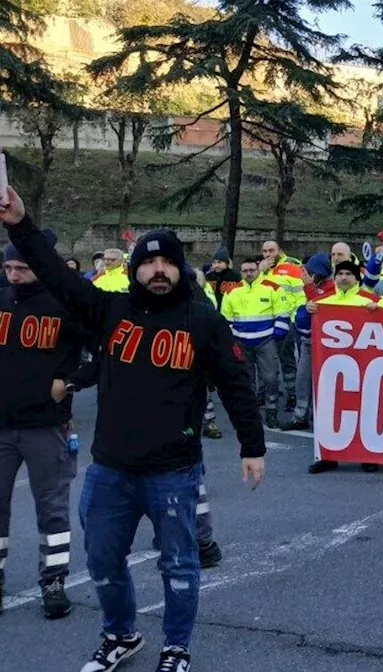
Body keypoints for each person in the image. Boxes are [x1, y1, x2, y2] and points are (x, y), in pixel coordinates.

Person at [1, 186, 266, 672]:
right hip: (110, 470)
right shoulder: (110, 311)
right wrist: (20, 224)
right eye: (149, 262)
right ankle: (121, 634)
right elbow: (59, 279)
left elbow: (236, 387)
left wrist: (253, 446)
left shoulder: (203, 322)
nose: (158, 270)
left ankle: (176, 647)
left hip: (173, 471)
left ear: (179, 268)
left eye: (167, 262)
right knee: (102, 561)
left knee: (179, 567)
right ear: (135, 269)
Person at [0, 230, 86, 619]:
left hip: (46, 425)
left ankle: (54, 580)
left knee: (52, 506)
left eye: (22, 268)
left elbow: (97, 354)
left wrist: (69, 381)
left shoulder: (63, 305)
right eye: (9, 267)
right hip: (1, 424)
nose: (15, 275)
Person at [305, 261, 381, 475]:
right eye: (340, 274)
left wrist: (380, 310)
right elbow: (302, 324)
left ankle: (369, 455)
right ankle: (328, 456)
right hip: (332, 365)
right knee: (330, 410)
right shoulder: (323, 301)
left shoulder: (372, 301)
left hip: (364, 363)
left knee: (365, 409)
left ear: (357, 278)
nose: (344, 277)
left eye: (349, 274)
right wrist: (307, 309)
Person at [220, 257, 290, 429]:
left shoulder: (272, 288)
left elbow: (283, 312)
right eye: (245, 270)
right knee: (246, 381)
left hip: (266, 340)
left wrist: (277, 334)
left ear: (258, 270)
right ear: (241, 272)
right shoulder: (231, 292)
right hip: (241, 343)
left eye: (252, 270)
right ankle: (251, 415)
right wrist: (231, 339)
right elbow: (225, 319)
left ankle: (272, 413)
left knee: (271, 378)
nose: (249, 273)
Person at [282, 254, 336, 432]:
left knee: (323, 383)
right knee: (302, 380)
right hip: (308, 341)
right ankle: (300, 416)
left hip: (325, 345)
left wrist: (308, 288)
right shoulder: (316, 287)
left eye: (310, 272)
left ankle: (319, 417)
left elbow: (322, 307)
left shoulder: (330, 288)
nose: (306, 275)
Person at [259, 240, 305, 414]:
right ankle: (265, 394)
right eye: (265, 251)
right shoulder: (262, 269)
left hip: (287, 322)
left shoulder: (292, 268)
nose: (268, 254)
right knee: (266, 361)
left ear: (279, 251)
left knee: (287, 361)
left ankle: (292, 395)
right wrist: (261, 272)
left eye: (271, 250)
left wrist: (294, 320)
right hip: (266, 321)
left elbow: (300, 296)